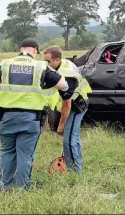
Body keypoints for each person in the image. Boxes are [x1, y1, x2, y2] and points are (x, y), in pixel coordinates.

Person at [0, 38, 69, 191]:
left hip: (6, 116)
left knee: (7, 152)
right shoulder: (40, 66)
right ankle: (22, 189)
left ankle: (4, 186)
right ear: (34, 50)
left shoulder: (5, 64)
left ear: (21, 48)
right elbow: (63, 84)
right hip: (30, 118)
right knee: (25, 155)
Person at [43, 45, 92, 174]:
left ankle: (74, 172)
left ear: (57, 59)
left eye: (47, 61)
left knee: (68, 139)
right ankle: (77, 167)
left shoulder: (66, 74)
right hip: (76, 102)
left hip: (77, 106)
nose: (45, 64)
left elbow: (67, 105)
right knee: (73, 138)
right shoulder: (63, 65)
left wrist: (61, 125)